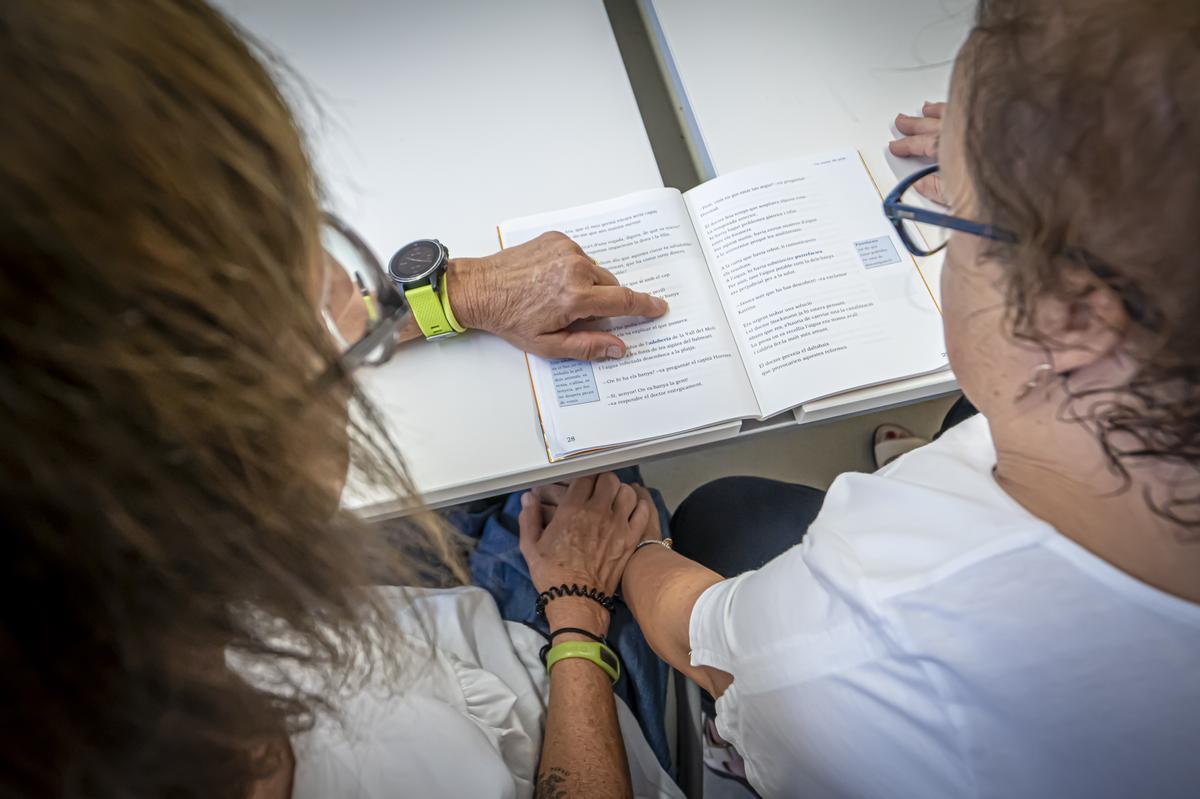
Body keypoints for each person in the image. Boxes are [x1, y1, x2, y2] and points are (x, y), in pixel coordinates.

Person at [0, 2, 679, 798]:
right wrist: (576, 616)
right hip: (558, 683)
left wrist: (456, 292)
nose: (331, 294)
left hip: (422, 627)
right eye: (296, 323)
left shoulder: (101, 624)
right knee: (623, 477)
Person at [537, 0, 1200, 795]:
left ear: (1069, 315)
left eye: (952, 213)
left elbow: (705, 643)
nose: (941, 217)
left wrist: (619, 557)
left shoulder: (875, 628)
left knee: (725, 508)